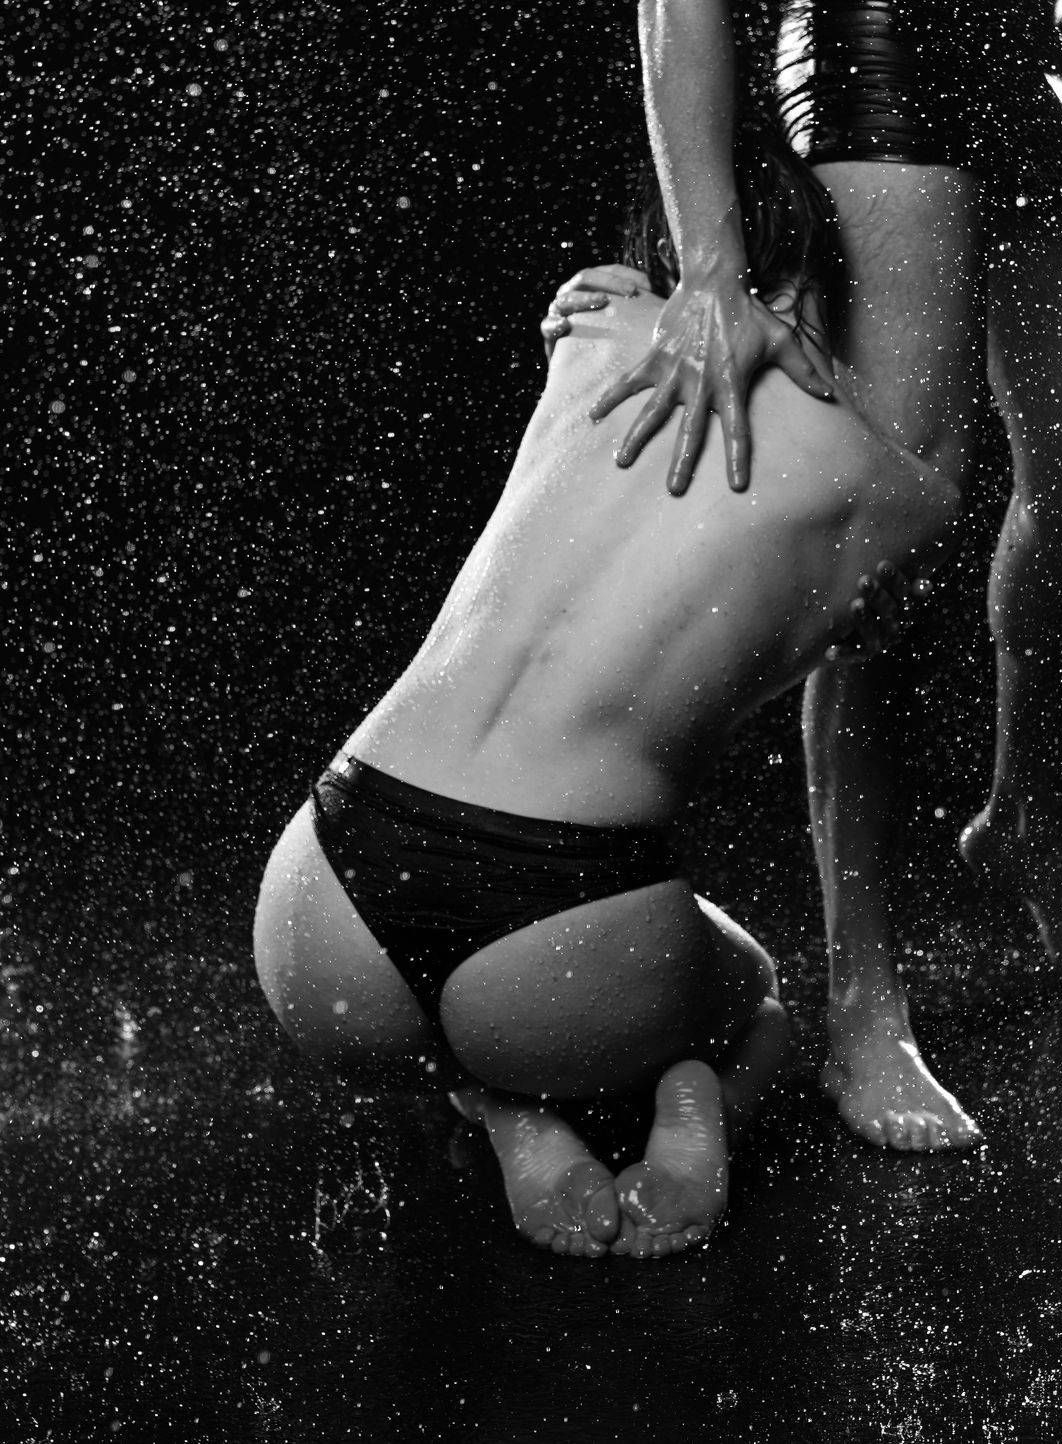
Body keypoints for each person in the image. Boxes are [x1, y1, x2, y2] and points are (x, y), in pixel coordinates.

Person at [253, 126, 962, 1263]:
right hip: (563, 919)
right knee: (757, 1002)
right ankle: (687, 1103)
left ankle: (506, 1108)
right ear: (835, 277)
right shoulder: (889, 489)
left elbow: (617, 294)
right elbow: (820, 650)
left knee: (466, 1035)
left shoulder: (592, 322)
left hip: (320, 905)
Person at [548, 0, 1062, 1152]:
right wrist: (709, 267)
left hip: (1044, 27)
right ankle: (862, 1007)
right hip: (882, 35)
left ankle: (1019, 810)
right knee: (893, 530)